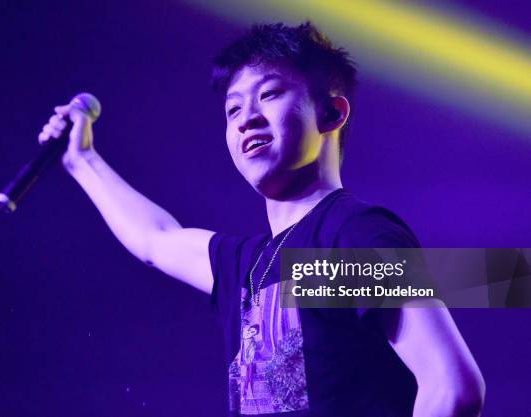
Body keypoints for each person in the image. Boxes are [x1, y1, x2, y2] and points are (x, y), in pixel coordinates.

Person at [38, 21, 485, 417]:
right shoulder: (246, 266)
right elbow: (156, 239)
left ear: (331, 113)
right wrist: (82, 160)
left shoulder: (353, 236)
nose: (246, 119)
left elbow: (452, 388)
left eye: (268, 94)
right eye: (232, 109)